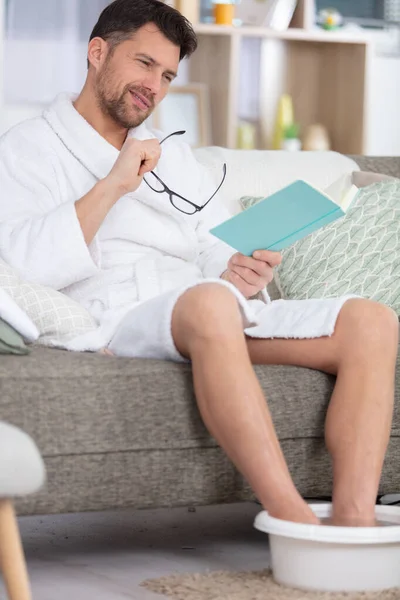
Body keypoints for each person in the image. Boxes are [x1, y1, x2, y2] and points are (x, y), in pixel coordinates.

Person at [0, 0, 397, 527]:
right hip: (119, 312)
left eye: (166, 75)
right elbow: (24, 263)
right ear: (97, 52)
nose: (155, 87)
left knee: (371, 321)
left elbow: (210, 243)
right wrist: (114, 183)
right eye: (144, 64)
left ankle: (352, 521)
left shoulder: (169, 152)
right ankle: (293, 520)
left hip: (203, 304)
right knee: (210, 303)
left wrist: (235, 268)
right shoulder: (28, 147)